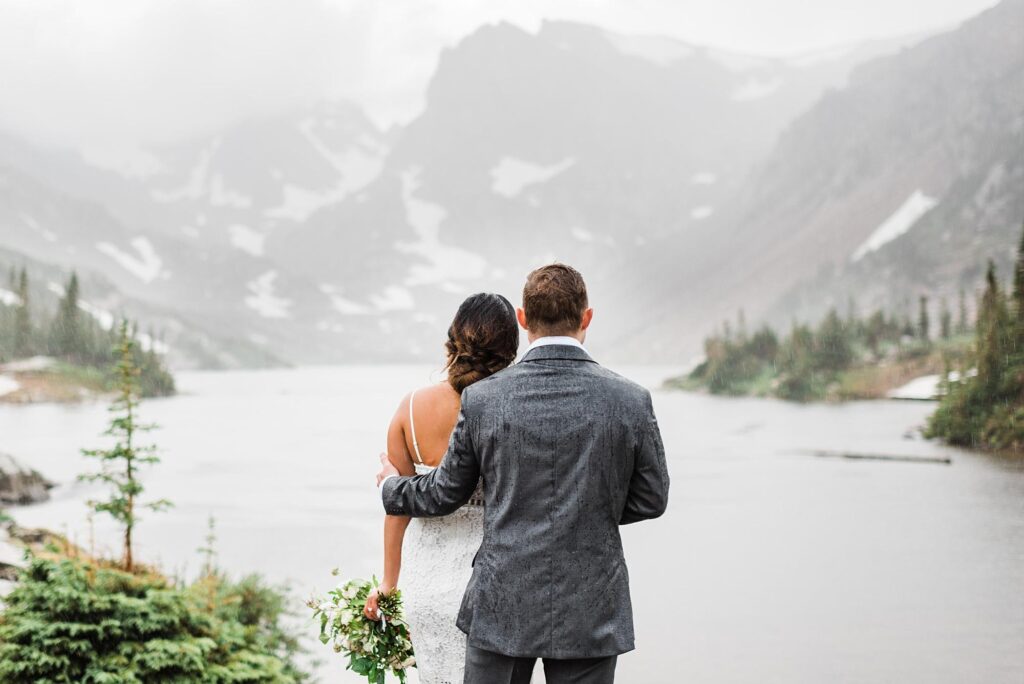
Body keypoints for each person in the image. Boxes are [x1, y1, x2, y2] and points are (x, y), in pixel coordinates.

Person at [375, 263, 670, 684]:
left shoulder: (483, 400)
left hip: (501, 605)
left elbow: (444, 494)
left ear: (523, 319)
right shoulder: (631, 400)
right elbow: (651, 500)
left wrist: (390, 487)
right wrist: (586, 512)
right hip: (591, 608)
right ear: (587, 317)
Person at [363, 292, 520, 684]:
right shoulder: (516, 410)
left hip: (427, 584)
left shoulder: (411, 408)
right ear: (511, 350)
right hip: (499, 585)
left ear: (451, 342)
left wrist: (388, 581)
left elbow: (397, 504)